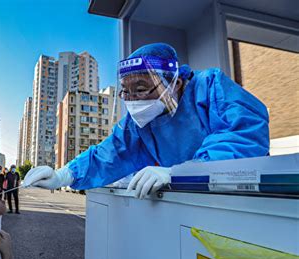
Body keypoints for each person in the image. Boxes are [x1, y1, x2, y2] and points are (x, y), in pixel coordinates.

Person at [24, 43, 269, 198]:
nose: (132, 100)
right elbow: (110, 154)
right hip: (187, 208)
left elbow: (243, 137)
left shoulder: (210, 87)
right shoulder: (140, 124)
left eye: (141, 89)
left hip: (237, 202)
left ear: (176, 83)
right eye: (126, 91)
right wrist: (63, 175)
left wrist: (181, 174)